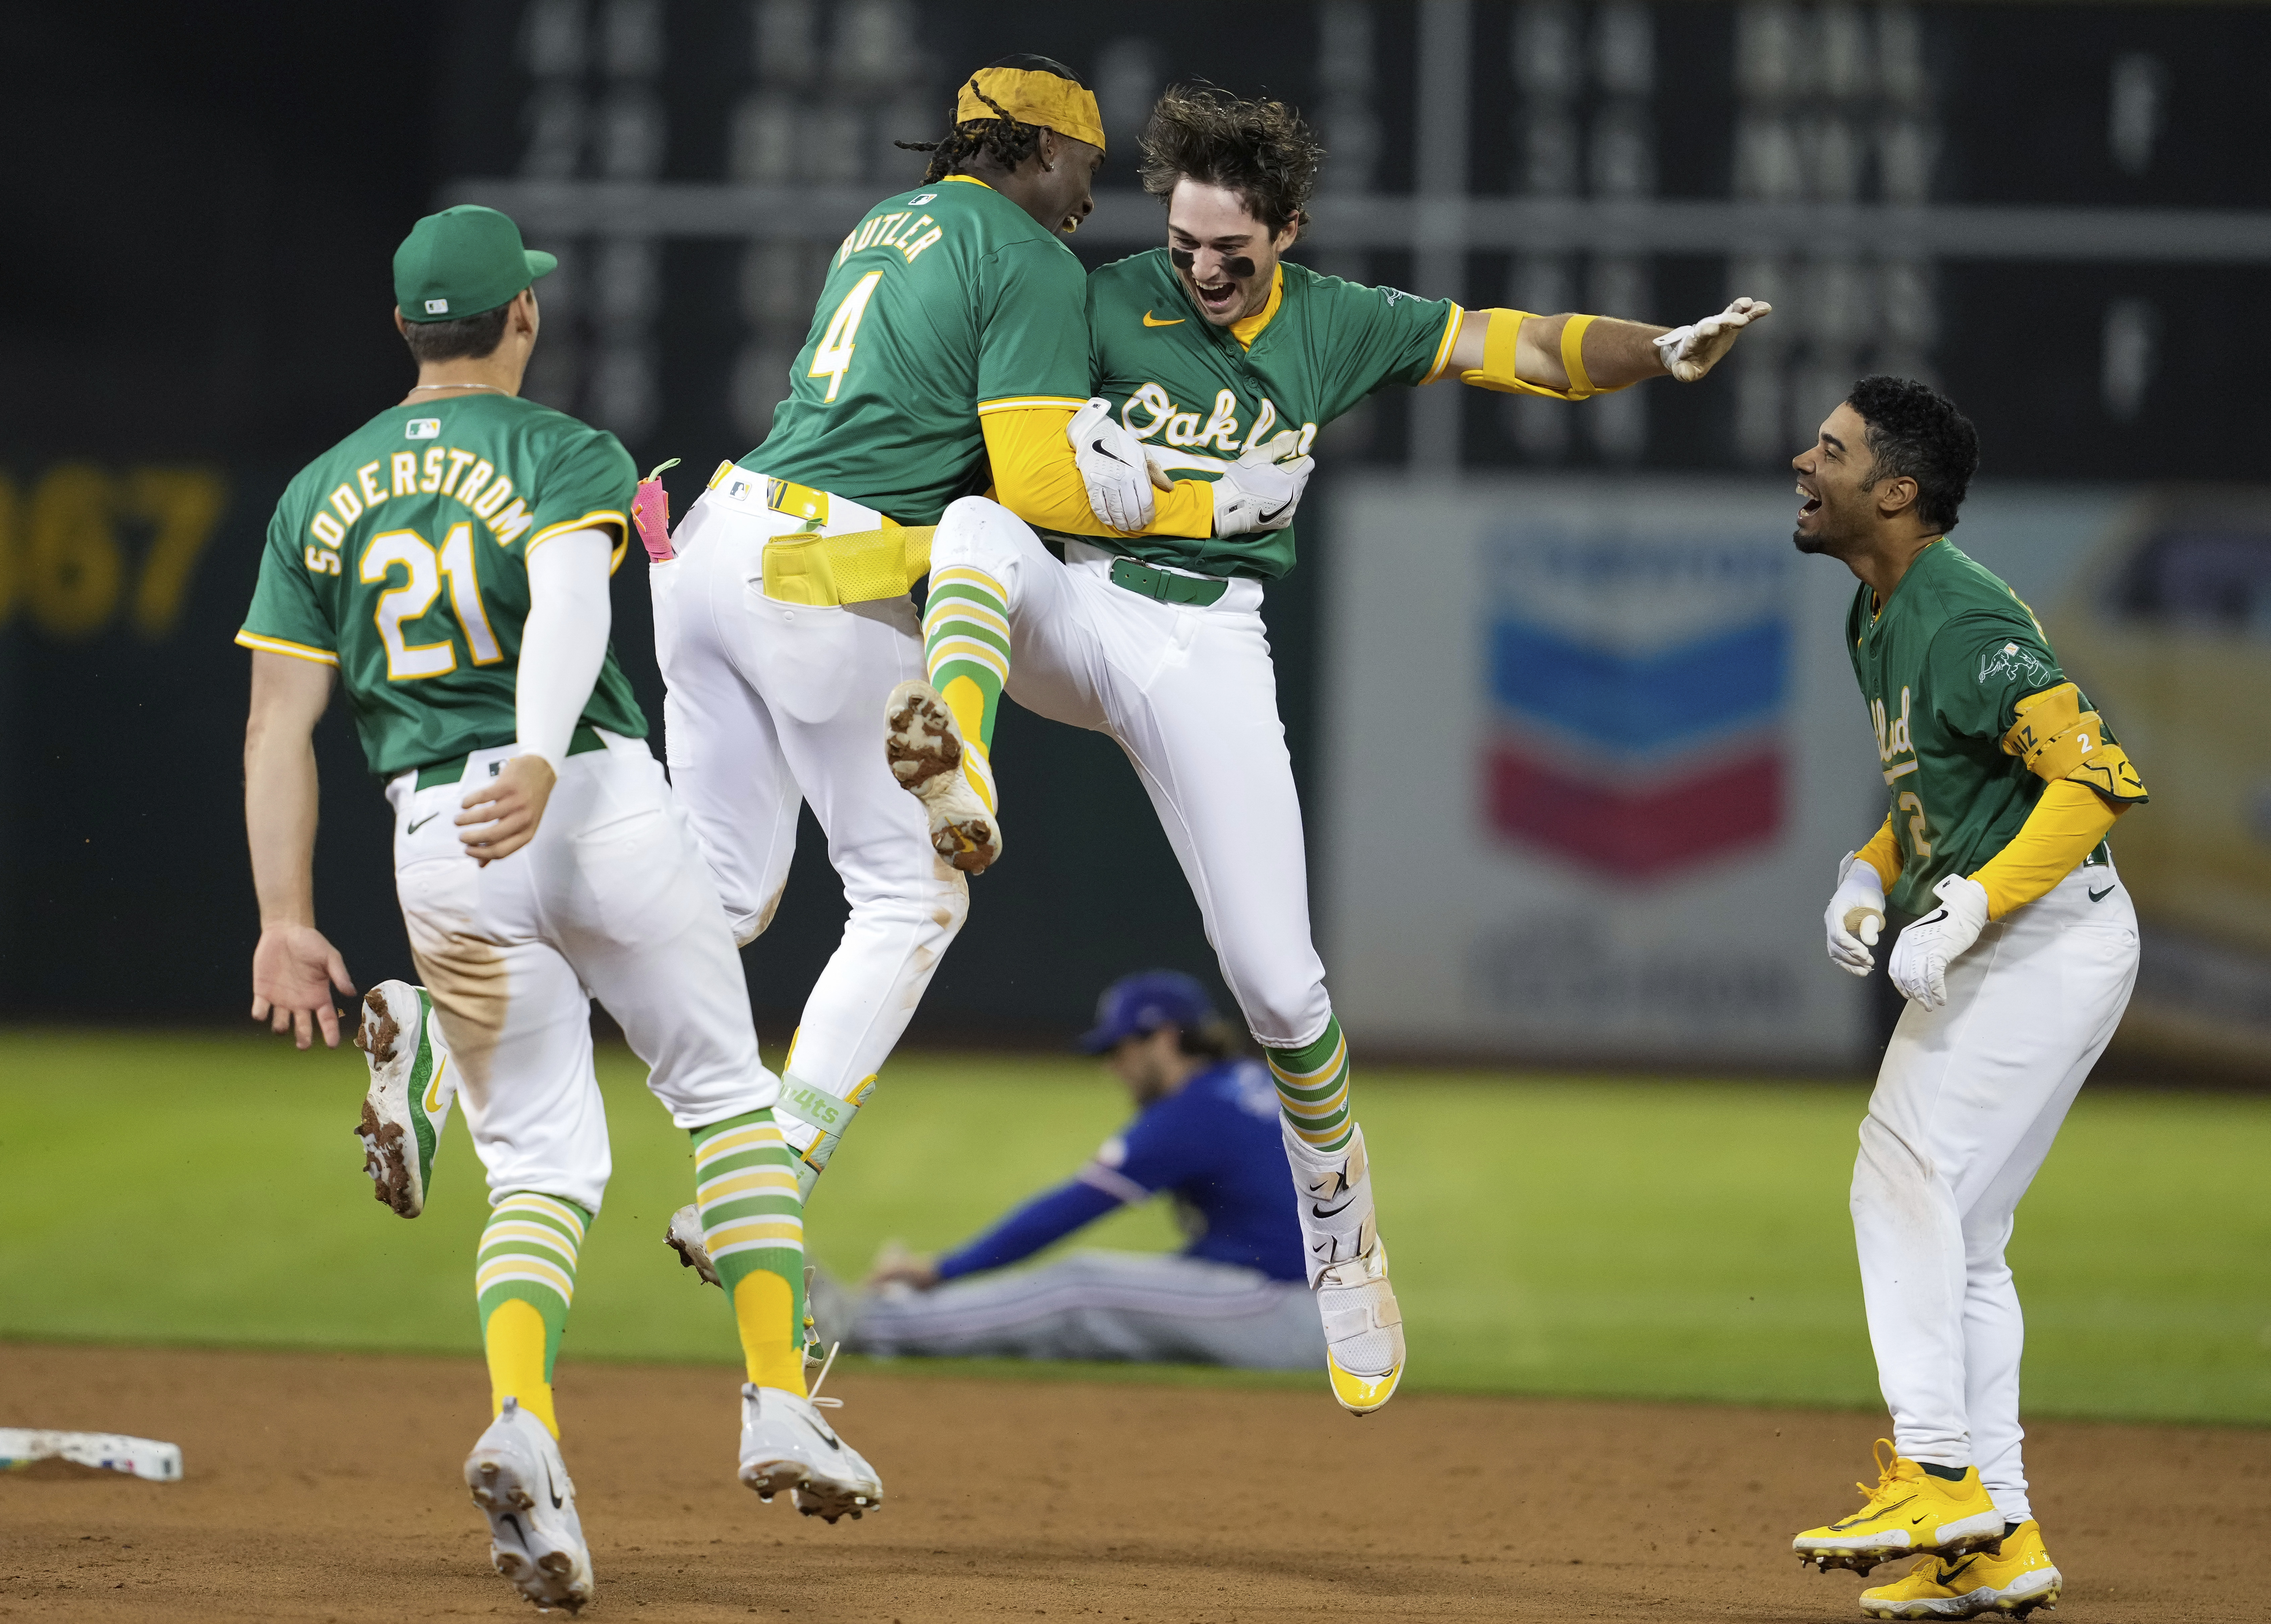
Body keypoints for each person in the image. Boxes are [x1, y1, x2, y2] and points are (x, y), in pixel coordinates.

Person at [885, 85, 1772, 1415]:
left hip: (1210, 647)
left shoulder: (1342, 324)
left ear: (1286, 231)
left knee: (1278, 987)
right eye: (1181, 241)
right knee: (973, 538)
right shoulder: (1095, 294)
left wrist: (1652, 348)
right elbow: (982, 430)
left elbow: (1516, 349)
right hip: (1082, 609)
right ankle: (962, 754)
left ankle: (1344, 1235)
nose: (1197, 268)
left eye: (1227, 250)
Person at [237, 206, 880, 1612]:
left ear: (405, 328)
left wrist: (285, 916)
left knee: (536, 1167)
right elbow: (570, 603)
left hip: (435, 844)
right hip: (582, 797)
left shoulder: (316, 492)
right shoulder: (563, 449)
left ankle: (523, 1419)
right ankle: (777, 1395)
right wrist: (536, 752)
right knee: (723, 1103)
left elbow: (276, 726)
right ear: (517, 320)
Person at [643, 56, 1299, 1205]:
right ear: (1040, 151)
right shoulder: (1026, 253)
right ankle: (768, 1174)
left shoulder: (888, 219)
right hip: (818, 572)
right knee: (911, 895)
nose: (1089, 197)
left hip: (709, 540)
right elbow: (1034, 483)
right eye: (1084, 166)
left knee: (717, 895)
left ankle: (459, 1013)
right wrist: (1201, 501)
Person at [1785, 377, 2147, 1621]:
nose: (1801, 459)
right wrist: (1868, 871)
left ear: (1895, 491)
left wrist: (1974, 903)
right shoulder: (1875, 612)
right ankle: (1996, 1536)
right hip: (2020, 940)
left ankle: (1932, 1472)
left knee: (1894, 1178)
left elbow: (2092, 782)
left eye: (1827, 450)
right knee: (1963, 1239)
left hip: (2044, 943)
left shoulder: (1954, 615)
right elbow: (1936, 792)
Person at [677, 972, 1322, 1369]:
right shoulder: (1245, 1085)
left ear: (1164, 1039)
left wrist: (942, 1269)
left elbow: (1070, 1208)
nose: (1112, 1067)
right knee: (1093, 1314)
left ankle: (862, 1326)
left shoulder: (1194, 1111)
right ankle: (926, 1324)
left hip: (1280, 1309)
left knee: (1081, 1286)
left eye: (1120, 1048)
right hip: (1316, 1305)